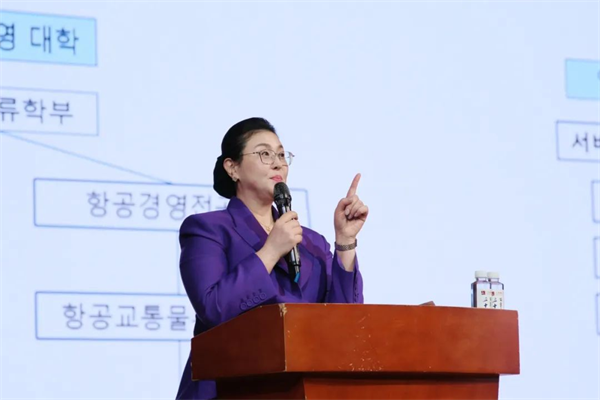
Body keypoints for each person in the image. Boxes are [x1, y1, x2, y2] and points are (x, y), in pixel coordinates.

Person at [175, 117, 369, 400]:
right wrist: (270, 251)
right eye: (265, 154)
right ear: (232, 168)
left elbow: (345, 322)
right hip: (226, 389)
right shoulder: (208, 229)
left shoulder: (312, 242)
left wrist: (345, 241)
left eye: (281, 155)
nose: (278, 163)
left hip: (299, 389)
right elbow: (213, 308)